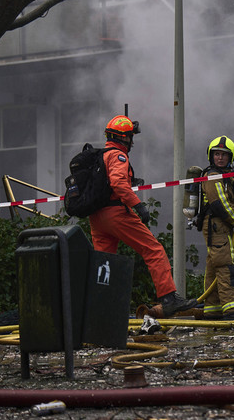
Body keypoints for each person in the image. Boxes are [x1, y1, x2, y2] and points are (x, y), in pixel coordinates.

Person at [88, 115, 197, 317]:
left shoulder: (100, 156)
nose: (132, 141)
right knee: (153, 250)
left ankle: (100, 311)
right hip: (116, 214)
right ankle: (169, 298)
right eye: (130, 137)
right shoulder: (118, 156)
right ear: (124, 137)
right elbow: (118, 184)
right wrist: (138, 205)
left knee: (104, 263)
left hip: (97, 218)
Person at [198, 135, 234, 320]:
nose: (220, 158)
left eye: (224, 154)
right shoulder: (213, 177)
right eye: (216, 154)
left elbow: (231, 201)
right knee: (224, 266)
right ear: (211, 156)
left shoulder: (226, 177)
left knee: (214, 265)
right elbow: (220, 204)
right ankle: (232, 310)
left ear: (231, 157)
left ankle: (212, 309)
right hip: (217, 225)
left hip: (220, 226)